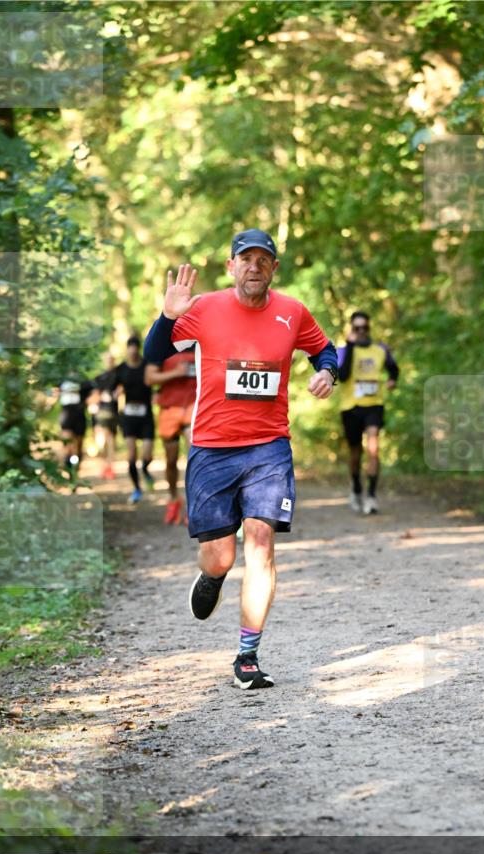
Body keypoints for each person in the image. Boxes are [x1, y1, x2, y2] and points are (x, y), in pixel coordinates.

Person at [144, 228, 338, 690]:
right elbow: (153, 355)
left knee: (261, 542)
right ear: (231, 267)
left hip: (269, 447)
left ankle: (247, 655)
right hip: (212, 448)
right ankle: (211, 578)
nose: (254, 267)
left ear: (274, 268)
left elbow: (325, 349)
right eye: (245, 259)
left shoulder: (292, 313)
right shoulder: (204, 308)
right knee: (219, 556)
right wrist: (167, 317)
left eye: (263, 260)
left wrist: (328, 371)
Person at [337, 310, 399, 514]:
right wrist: (351, 346)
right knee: (355, 453)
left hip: (374, 404)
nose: (362, 331)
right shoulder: (344, 351)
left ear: (369, 328)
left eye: (365, 328)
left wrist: (392, 380)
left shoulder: (380, 349)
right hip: (351, 407)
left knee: (374, 446)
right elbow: (343, 376)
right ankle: (356, 488)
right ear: (352, 329)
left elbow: (393, 368)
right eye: (357, 328)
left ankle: (371, 496)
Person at [145, 347, 197, 525]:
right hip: (169, 409)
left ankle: (194, 505)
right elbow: (149, 378)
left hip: (193, 408)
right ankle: (173, 498)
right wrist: (176, 373)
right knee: (171, 460)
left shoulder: (200, 340)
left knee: (194, 458)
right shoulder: (164, 342)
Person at [112, 335, 155, 504]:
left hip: (146, 415)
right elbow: (112, 386)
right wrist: (115, 393)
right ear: (127, 350)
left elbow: (155, 381)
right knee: (131, 455)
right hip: (129, 415)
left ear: (138, 349)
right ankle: (137, 489)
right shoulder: (121, 369)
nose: (133, 351)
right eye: (130, 348)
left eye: (136, 348)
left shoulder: (147, 366)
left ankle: (145, 468)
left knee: (147, 454)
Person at [57, 371, 94, 486]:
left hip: (79, 415)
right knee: (68, 446)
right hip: (66, 416)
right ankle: (70, 475)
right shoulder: (60, 379)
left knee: (78, 447)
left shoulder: (83, 380)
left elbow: (93, 394)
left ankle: (75, 472)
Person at [93, 351, 119, 480]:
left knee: (110, 440)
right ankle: (104, 466)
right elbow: (94, 395)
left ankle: (110, 467)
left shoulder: (118, 376)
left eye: (111, 359)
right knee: (101, 440)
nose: (109, 362)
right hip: (101, 412)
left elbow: (122, 389)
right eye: (107, 360)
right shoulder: (99, 378)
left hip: (113, 413)